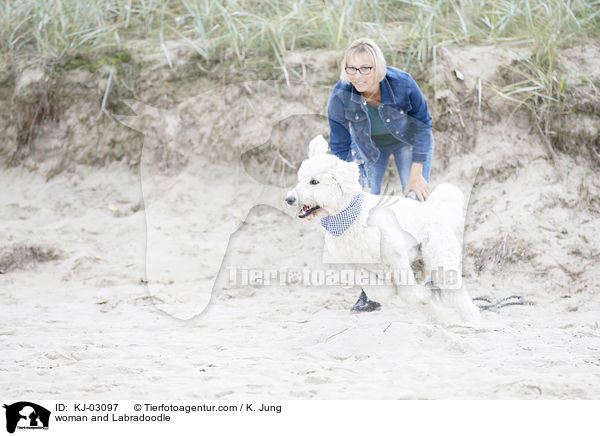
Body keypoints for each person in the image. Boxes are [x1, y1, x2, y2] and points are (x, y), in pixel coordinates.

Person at [327, 38, 434, 201]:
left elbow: (423, 125)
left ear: (377, 68)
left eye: (365, 69)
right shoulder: (341, 95)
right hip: (368, 147)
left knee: (415, 197)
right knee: (362, 200)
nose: (357, 76)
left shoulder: (403, 84)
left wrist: (416, 172)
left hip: (408, 142)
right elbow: (339, 144)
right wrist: (350, 178)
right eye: (352, 69)